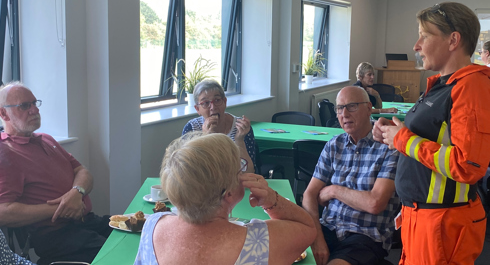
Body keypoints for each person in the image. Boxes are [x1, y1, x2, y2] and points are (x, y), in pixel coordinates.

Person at [373, 2, 490, 264]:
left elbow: (468, 164)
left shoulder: (471, 86)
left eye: (424, 36)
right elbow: (432, 142)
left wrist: (403, 139)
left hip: (442, 225)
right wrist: (394, 138)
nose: (416, 45)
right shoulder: (442, 85)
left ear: (453, 40)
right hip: (421, 219)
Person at [134, 132, 316, 265]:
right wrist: (271, 199)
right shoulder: (258, 243)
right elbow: (307, 227)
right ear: (228, 192)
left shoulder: (152, 226)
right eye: (240, 169)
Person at [0, 82, 111, 265]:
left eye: (35, 103)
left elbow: (83, 171)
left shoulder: (46, 139)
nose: (34, 110)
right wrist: (62, 208)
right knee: (123, 256)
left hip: (87, 221)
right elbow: (3, 212)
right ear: (3, 113)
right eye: (25, 106)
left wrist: (77, 193)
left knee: (138, 233)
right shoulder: (5, 152)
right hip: (58, 235)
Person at [302, 86, 400, 265]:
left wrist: (333, 191)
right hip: (328, 228)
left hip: (365, 236)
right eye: (339, 108)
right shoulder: (334, 145)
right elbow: (309, 194)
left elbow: (374, 203)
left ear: (369, 108)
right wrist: (316, 238)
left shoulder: (389, 147)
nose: (344, 113)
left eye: (352, 106)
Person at [182, 79, 255, 172]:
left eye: (217, 100)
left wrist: (239, 140)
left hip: (236, 182)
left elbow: (250, 172)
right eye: (205, 103)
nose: (213, 107)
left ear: (224, 102)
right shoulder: (191, 128)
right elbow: (188, 170)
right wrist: (205, 138)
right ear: (197, 109)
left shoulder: (241, 127)